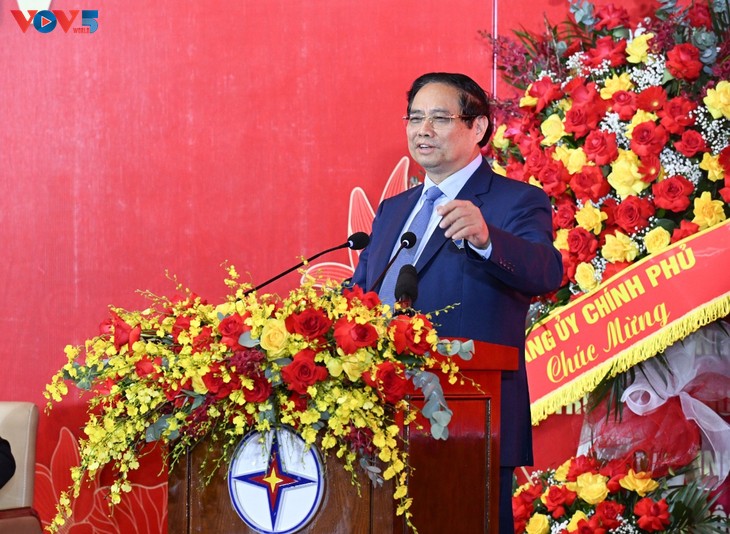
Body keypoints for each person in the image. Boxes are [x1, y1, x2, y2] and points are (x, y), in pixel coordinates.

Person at [350, 72, 563, 533]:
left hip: (468, 424)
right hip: (377, 423)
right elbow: (361, 294)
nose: (423, 130)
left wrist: (488, 240)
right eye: (415, 118)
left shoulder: (515, 201)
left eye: (439, 118)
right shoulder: (393, 210)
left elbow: (547, 272)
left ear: (478, 127)